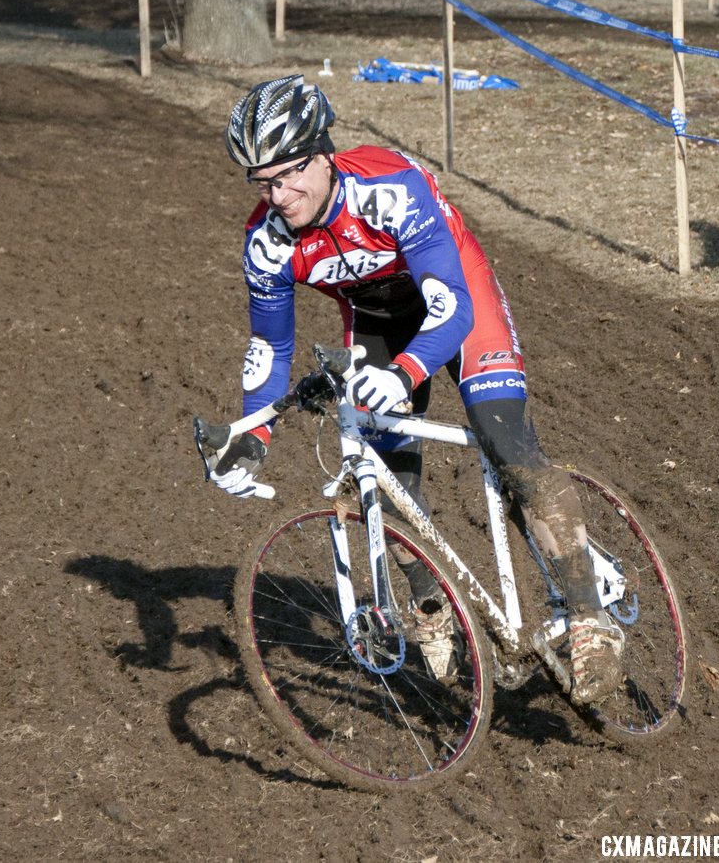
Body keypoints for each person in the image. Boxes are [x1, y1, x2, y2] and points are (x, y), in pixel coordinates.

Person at [208, 74, 623, 706]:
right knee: (392, 473)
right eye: (263, 181)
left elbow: (451, 308)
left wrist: (402, 373)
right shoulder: (266, 241)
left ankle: (590, 620)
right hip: (375, 320)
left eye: (291, 172)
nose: (280, 193)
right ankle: (434, 610)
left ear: (323, 153)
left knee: (504, 437)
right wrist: (251, 432)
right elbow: (271, 345)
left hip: (456, 296)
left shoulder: (389, 188)